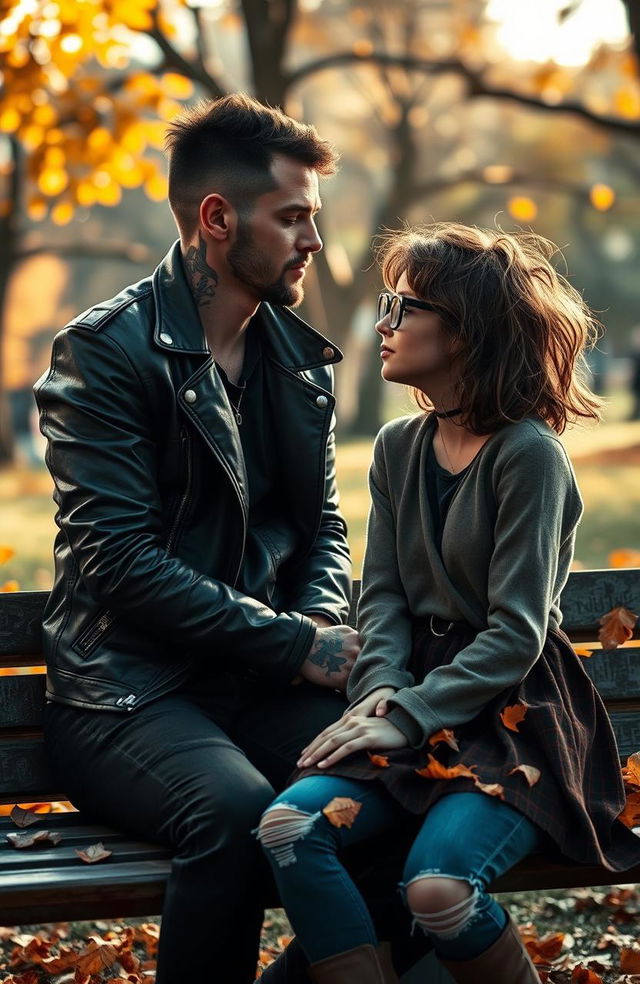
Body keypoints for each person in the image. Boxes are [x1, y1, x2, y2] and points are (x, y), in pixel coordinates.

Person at [34, 93, 363, 984]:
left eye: (313, 219)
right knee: (237, 816)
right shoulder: (103, 353)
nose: (313, 241)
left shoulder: (297, 363)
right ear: (218, 218)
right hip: (127, 696)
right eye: (292, 216)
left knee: (390, 791)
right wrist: (296, 643)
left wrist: (319, 627)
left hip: (254, 683)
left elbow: (319, 526)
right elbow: (118, 562)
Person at [257, 223, 640, 984]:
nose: (384, 325)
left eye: (405, 308)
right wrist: (380, 696)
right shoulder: (398, 445)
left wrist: (404, 714)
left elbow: (516, 634)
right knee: (289, 825)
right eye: (384, 304)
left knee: (437, 892)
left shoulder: (528, 454)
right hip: (411, 695)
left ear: (464, 335)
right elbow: (386, 597)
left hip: (510, 716)